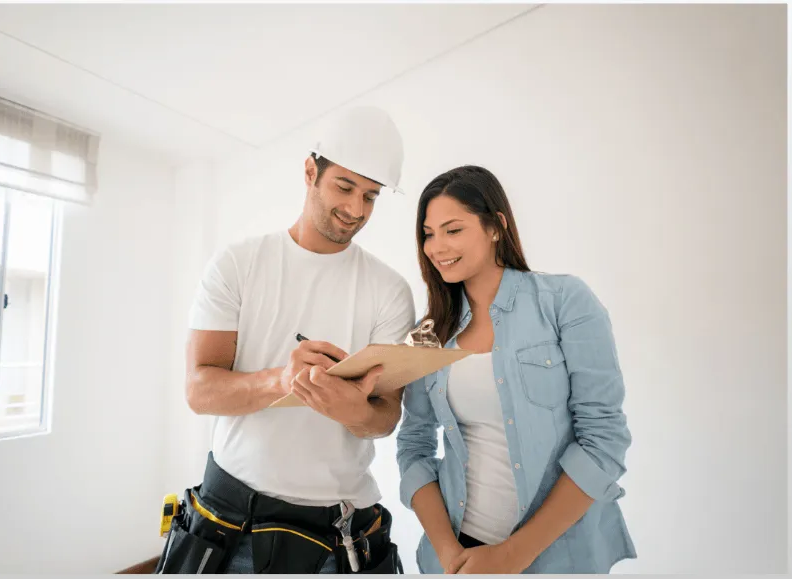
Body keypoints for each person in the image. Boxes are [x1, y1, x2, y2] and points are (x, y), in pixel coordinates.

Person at [155, 107, 416, 574]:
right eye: (344, 187)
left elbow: (386, 416)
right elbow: (199, 390)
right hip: (234, 521)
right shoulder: (238, 265)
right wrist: (284, 380)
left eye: (371, 197)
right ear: (310, 171)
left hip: (341, 529)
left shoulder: (389, 291)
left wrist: (355, 412)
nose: (356, 209)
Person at [396, 165, 636, 574]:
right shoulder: (429, 333)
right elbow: (414, 446)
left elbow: (603, 440)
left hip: (554, 555)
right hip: (456, 557)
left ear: (495, 227)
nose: (437, 247)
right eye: (428, 233)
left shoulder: (564, 301)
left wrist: (512, 555)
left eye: (453, 230)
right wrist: (449, 555)